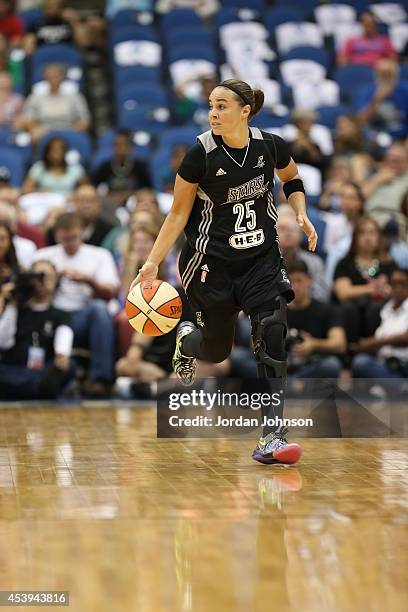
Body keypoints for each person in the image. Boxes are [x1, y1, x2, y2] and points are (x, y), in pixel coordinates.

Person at [131, 79, 318, 466]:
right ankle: (188, 340)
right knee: (216, 351)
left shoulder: (271, 145)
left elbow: (292, 179)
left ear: (244, 110)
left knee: (271, 332)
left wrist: (299, 209)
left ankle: (272, 435)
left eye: (222, 106)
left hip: (261, 259)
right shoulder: (200, 154)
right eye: (211, 106)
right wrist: (152, 262)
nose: (214, 113)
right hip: (210, 265)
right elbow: (178, 213)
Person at [33, 213, 120, 398]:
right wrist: (51, 281)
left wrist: (88, 280)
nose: (70, 243)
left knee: (99, 309)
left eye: (74, 238)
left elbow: (110, 293)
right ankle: (34, 374)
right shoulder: (43, 256)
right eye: (65, 239)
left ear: (81, 233)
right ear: (56, 235)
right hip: (52, 315)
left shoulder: (99, 255)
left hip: (83, 315)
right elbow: (30, 291)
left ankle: (100, 379)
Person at [0, 259, 74, 399]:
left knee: (68, 366)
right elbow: (3, 342)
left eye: (47, 276)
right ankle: (34, 388)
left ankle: (24, 388)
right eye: (38, 276)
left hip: (43, 371)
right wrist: (12, 302)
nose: (42, 281)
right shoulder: (17, 308)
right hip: (15, 368)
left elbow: (64, 342)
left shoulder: (60, 315)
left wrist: (62, 355)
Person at [333, 216, 397, 342]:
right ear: (355, 238)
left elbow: (396, 291)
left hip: (378, 312)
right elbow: (343, 293)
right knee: (348, 309)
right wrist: (372, 289)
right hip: (352, 312)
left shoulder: (389, 264)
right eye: (362, 233)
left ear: (379, 237)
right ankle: (351, 350)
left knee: (377, 309)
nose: (368, 238)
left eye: (372, 233)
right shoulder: (345, 264)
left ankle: (374, 346)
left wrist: (387, 289)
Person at [287, 259, 346, 378]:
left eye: (299, 281)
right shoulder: (276, 311)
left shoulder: (326, 310)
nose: (295, 287)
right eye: (290, 281)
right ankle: (293, 384)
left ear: (309, 280)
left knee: (331, 365)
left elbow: (340, 344)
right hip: (283, 362)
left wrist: (314, 344)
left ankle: (289, 383)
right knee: (240, 357)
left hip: (312, 363)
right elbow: (255, 344)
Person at [351, 268, 408, 378]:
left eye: (403, 284)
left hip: (404, 365)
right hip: (385, 364)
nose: (398, 288)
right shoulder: (387, 309)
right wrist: (363, 346)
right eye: (394, 284)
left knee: (361, 363)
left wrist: (376, 342)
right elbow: (378, 341)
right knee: (359, 361)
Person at [18, 63, 91, 142]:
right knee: (34, 135)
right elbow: (28, 118)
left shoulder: (74, 96)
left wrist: (75, 130)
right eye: (49, 76)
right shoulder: (36, 96)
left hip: (69, 129)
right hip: (44, 131)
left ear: (62, 77)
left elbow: (85, 119)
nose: (52, 79)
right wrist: (35, 128)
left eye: (55, 76)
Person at [277, 204, 329, 302]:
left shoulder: (314, 262)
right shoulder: (264, 262)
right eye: (282, 228)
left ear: (301, 234)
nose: (288, 233)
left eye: (292, 228)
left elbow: (322, 295)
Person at [92, 131, 151, 207]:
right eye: (117, 145)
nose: (120, 148)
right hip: (110, 204)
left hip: (134, 203)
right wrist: (110, 196)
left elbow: (148, 189)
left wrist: (127, 195)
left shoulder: (140, 167)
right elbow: (94, 188)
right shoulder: (105, 167)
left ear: (130, 147)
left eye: (123, 145)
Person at [356, 60, 408, 141]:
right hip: (376, 137)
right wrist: (377, 99)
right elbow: (361, 121)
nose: (386, 76)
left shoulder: (405, 90)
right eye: (382, 73)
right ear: (376, 74)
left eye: (389, 73)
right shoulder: (368, 91)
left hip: (402, 136)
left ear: (396, 75)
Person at [22, 137, 87, 196]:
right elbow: (26, 190)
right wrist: (38, 191)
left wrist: (75, 194)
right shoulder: (39, 168)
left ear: (65, 153)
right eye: (52, 151)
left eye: (59, 151)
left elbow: (87, 189)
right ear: (47, 153)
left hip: (69, 202)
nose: (56, 155)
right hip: (46, 202)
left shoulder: (75, 168)